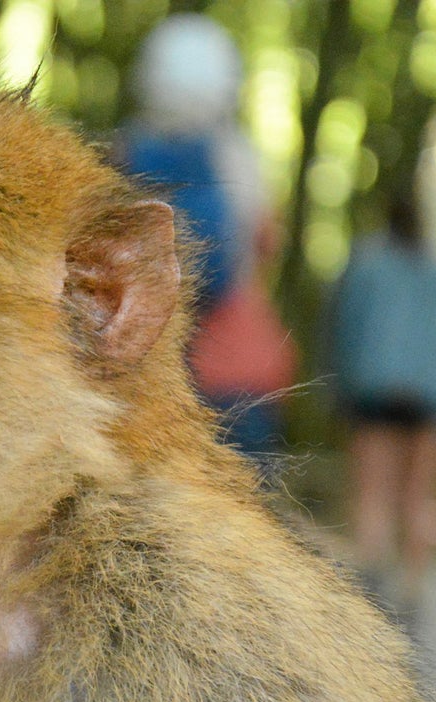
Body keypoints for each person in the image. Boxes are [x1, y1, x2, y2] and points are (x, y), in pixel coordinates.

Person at [118, 14, 297, 468]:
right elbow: (264, 246)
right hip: (240, 373)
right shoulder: (240, 160)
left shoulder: (122, 156)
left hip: (149, 376)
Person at [329, 197, 436, 626]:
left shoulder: (365, 267)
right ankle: (412, 589)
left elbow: (344, 329)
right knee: (419, 498)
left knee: (373, 494)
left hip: (374, 393)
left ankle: (371, 580)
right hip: (429, 397)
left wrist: (339, 388)